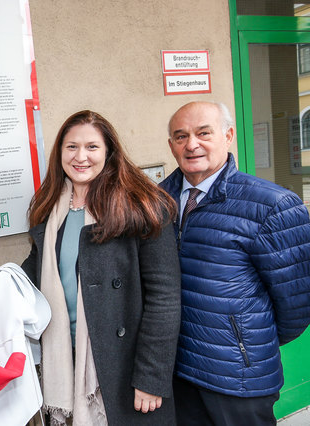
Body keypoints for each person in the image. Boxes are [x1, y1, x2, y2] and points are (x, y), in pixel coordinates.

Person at [21, 110, 181, 425]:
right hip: (65, 358)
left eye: (92, 147)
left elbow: (164, 299)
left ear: (108, 152)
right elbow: (37, 271)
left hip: (124, 365)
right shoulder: (49, 209)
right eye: (71, 147)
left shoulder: (142, 206)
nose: (81, 156)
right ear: (60, 153)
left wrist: (151, 378)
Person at [160, 101, 310, 425]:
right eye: (181, 136)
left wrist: (244, 343)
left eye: (203, 133)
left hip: (238, 377)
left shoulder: (273, 205)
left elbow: (296, 305)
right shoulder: (156, 201)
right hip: (178, 372)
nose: (192, 144)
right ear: (171, 145)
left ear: (228, 136)